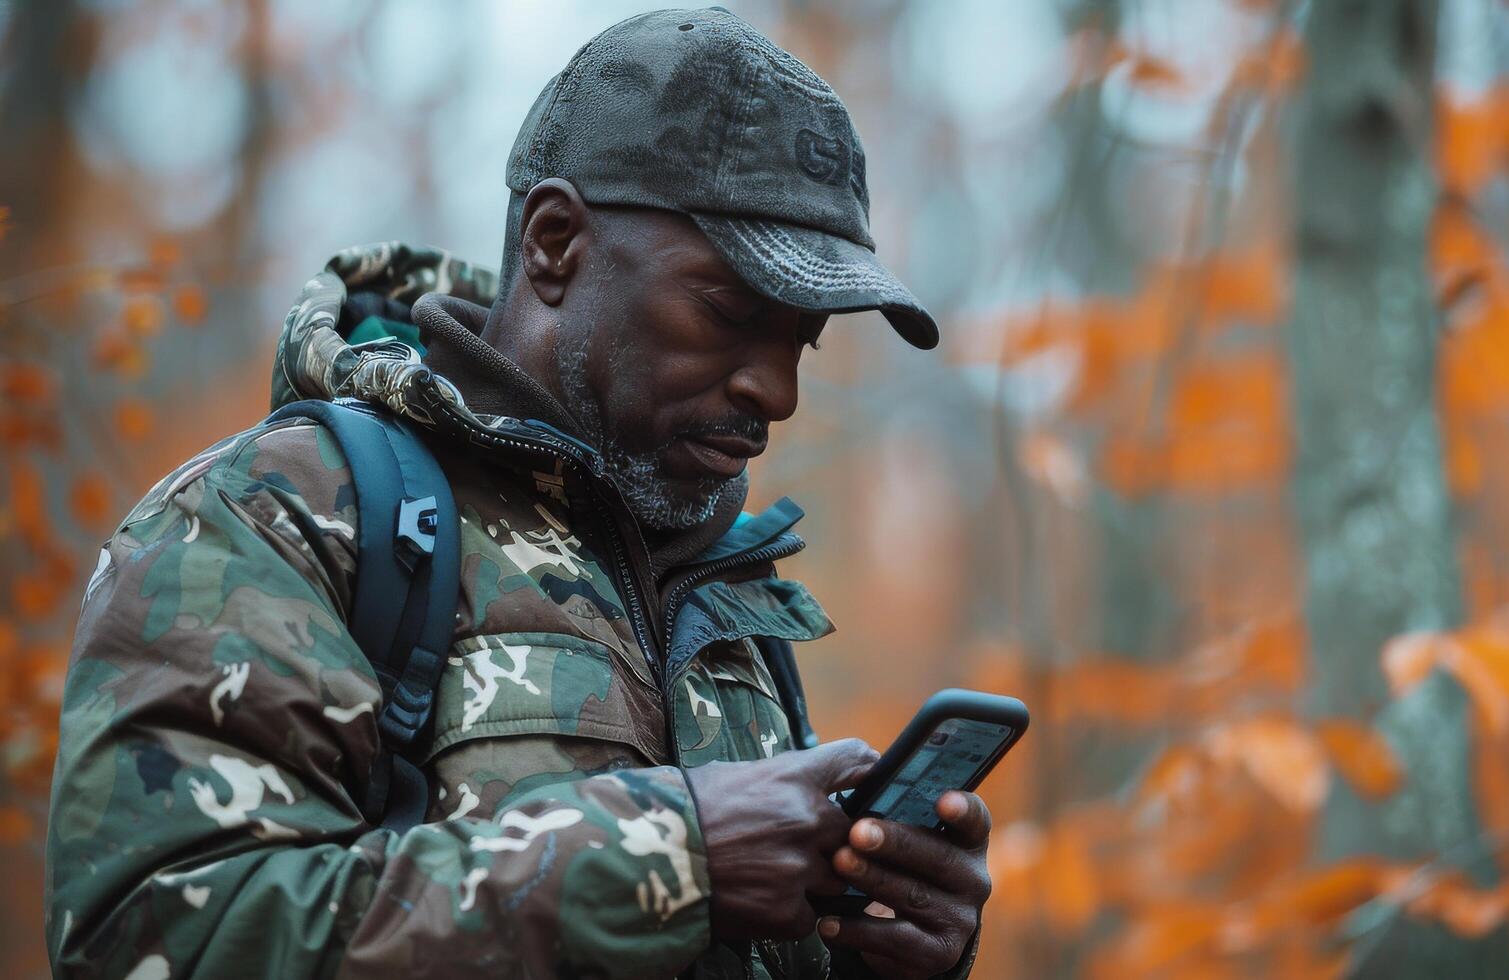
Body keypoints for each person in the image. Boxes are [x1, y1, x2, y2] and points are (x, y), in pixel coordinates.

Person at [44, 9, 991, 979]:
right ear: (554, 241)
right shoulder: (278, 513)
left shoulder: (723, 591)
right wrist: (671, 854)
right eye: (729, 311)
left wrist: (888, 952)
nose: (776, 391)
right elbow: (149, 940)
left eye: (802, 340)